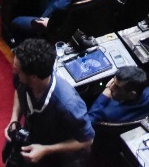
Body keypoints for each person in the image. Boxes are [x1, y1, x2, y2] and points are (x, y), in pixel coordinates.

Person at [6, 38, 94, 166]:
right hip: (33, 140)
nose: (14, 72)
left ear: (34, 77)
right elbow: (19, 92)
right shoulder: (22, 77)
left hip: (58, 157)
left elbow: (87, 140)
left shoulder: (68, 104)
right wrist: (14, 119)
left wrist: (46, 150)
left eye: (17, 71)